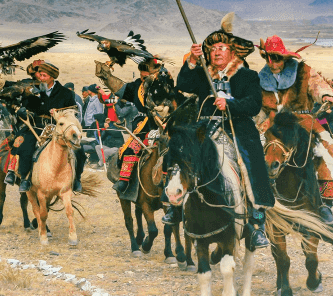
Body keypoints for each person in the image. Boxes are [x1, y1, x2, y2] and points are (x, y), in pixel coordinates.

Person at [174, 16, 273, 250]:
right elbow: (183, 84)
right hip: (206, 127)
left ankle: (257, 223)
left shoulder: (248, 76)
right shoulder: (202, 74)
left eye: (221, 48)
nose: (216, 52)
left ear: (232, 51)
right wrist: (191, 60)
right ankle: (173, 206)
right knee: (182, 156)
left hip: (237, 128)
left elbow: (253, 105)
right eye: (212, 49)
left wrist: (229, 104)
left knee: (250, 163)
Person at [255, 35, 333, 224]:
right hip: (272, 123)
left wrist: (326, 95)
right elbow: (258, 106)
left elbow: (318, 86)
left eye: (276, 57)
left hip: (301, 120)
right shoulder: (261, 77)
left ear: (284, 57)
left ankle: (326, 203)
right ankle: (256, 203)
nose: (272, 62)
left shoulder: (303, 71)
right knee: (251, 150)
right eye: (269, 57)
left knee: (328, 147)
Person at [13, 59, 83, 194]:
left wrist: (59, 113)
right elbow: (27, 107)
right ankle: (25, 179)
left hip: (60, 127)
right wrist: (23, 110)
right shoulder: (34, 91)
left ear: (52, 77)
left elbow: (72, 111)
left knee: (79, 149)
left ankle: (77, 179)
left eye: (44, 76)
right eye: (40, 75)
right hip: (37, 126)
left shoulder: (65, 93)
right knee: (26, 146)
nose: (41, 78)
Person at [112, 58, 166, 194]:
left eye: (146, 77)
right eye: (142, 77)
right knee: (130, 149)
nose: (144, 79)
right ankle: (124, 181)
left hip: (162, 124)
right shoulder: (136, 86)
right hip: (143, 127)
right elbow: (121, 91)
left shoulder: (164, 86)